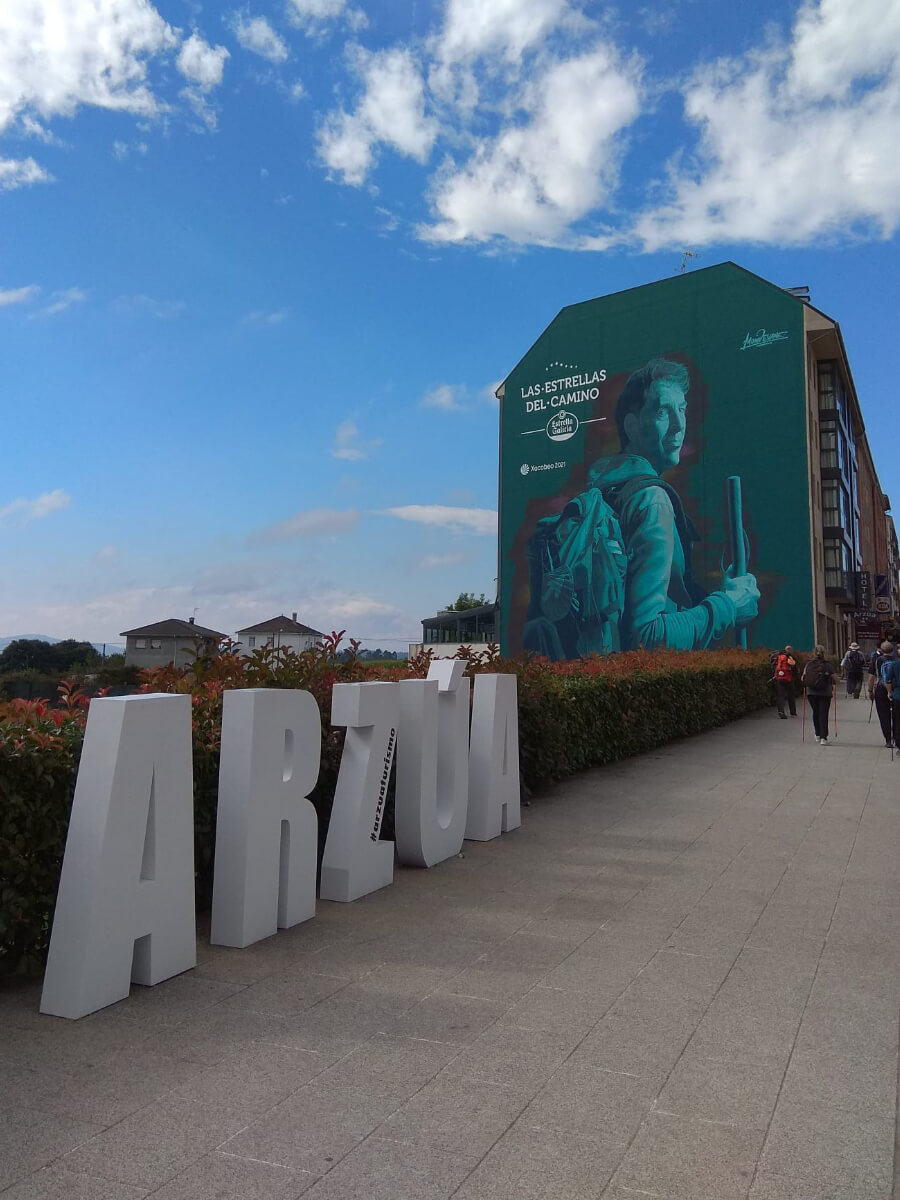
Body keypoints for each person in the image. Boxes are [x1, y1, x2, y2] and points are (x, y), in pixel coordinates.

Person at [586, 359, 760, 650]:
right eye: (663, 411)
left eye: (682, 409)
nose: (679, 427)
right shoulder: (652, 502)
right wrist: (729, 605)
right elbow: (647, 637)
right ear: (631, 425)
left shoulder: (602, 492)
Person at [802, 645, 839, 745]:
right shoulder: (827, 665)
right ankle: (823, 738)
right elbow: (836, 679)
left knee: (816, 712)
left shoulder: (808, 664)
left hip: (811, 693)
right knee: (823, 714)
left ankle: (817, 734)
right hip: (825, 693)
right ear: (824, 653)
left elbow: (803, 678)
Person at [868, 641, 897, 748]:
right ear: (892, 650)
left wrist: (870, 691)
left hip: (880, 688)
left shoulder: (877, 660)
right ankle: (896, 737)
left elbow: (871, 677)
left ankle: (888, 740)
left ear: (881, 650)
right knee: (896, 715)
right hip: (894, 689)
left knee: (884, 716)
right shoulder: (897, 660)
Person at [771, 645, 798, 718]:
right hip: (789, 678)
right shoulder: (790, 657)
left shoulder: (777, 656)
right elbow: (795, 668)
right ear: (791, 650)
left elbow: (773, 667)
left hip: (779, 678)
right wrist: (794, 676)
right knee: (791, 695)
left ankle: (781, 712)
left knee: (780, 695)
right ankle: (793, 712)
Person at [881, 649, 900, 753]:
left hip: (897, 695)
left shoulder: (894, 665)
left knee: (897, 720)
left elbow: (888, 681)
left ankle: (898, 743)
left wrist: (889, 692)